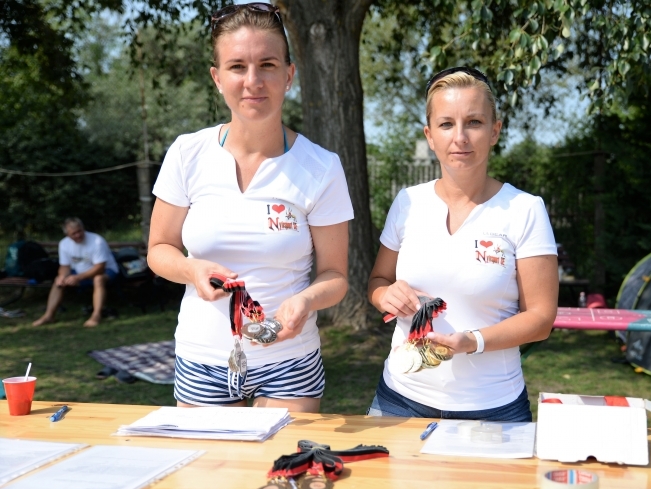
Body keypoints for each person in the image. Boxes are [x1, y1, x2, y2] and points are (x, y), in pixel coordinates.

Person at [148, 3, 352, 414]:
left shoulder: (322, 166)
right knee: (208, 477)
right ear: (217, 78)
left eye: (268, 64)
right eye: (237, 66)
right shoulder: (188, 153)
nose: (253, 81)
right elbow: (159, 250)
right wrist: (192, 269)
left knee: (285, 474)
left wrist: (306, 301)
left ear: (289, 75)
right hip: (202, 359)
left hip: (289, 359)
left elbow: (335, 276)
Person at [366, 67, 559, 422]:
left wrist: (473, 341)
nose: (460, 137)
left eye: (473, 122)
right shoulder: (407, 203)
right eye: (445, 124)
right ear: (429, 135)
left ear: (495, 131)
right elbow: (378, 281)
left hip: (491, 408)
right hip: (398, 399)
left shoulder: (525, 210)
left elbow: (541, 318)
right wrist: (384, 295)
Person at [32, 217, 119, 328]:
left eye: (79, 231)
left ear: (83, 228)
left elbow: (100, 268)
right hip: (80, 272)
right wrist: (62, 276)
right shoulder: (64, 244)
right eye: (74, 233)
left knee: (98, 279)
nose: (78, 235)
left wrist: (78, 278)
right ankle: (49, 315)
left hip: (107, 271)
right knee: (58, 281)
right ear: (67, 235)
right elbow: (65, 266)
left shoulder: (97, 241)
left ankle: (96, 315)